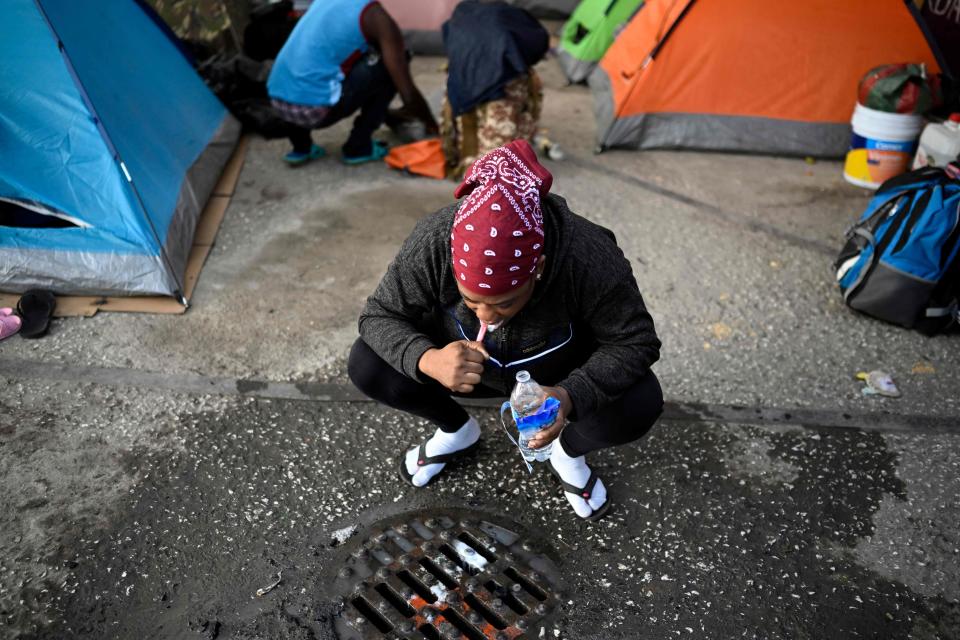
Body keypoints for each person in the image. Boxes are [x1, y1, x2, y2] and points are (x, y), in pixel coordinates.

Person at [348, 140, 663, 521]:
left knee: (641, 401)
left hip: (553, 374)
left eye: (505, 302)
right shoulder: (435, 240)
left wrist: (568, 396)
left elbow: (635, 340)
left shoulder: (589, 256)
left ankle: (567, 451)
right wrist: (428, 359)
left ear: (539, 267)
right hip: (467, 370)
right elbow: (378, 315)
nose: (487, 316)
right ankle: (456, 430)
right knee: (367, 363)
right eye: (472, 301)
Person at [266, 0, 438, 166]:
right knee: (394, 62)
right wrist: (433, 126)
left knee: (310, 73)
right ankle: (359, 146)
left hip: (278, 102)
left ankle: (301, 148)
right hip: (316, 111)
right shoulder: (376, 16)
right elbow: (407, 93)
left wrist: (389, 115)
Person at [440, 1, 549, 177]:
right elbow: (538, 45)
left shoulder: (461, 13)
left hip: (463, 90)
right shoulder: (513, 19)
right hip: (500, 90)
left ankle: (468, 164)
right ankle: (496, 169)